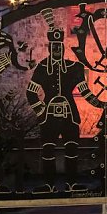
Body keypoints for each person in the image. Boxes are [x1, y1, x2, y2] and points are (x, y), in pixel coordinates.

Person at [26, 26, 86, 193]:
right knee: (47, 150)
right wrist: (41, 112)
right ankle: (49, 185)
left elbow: (83, 89)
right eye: (54, 47)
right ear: (50, 48)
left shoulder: (74, 67)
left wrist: (98, 102)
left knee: (72, 149)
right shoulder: (43, 67)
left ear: (62, 48)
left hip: (70, 115)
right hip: (48, 117)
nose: (57, 49)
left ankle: (71, 184)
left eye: (59, 46)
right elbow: (30, 92)